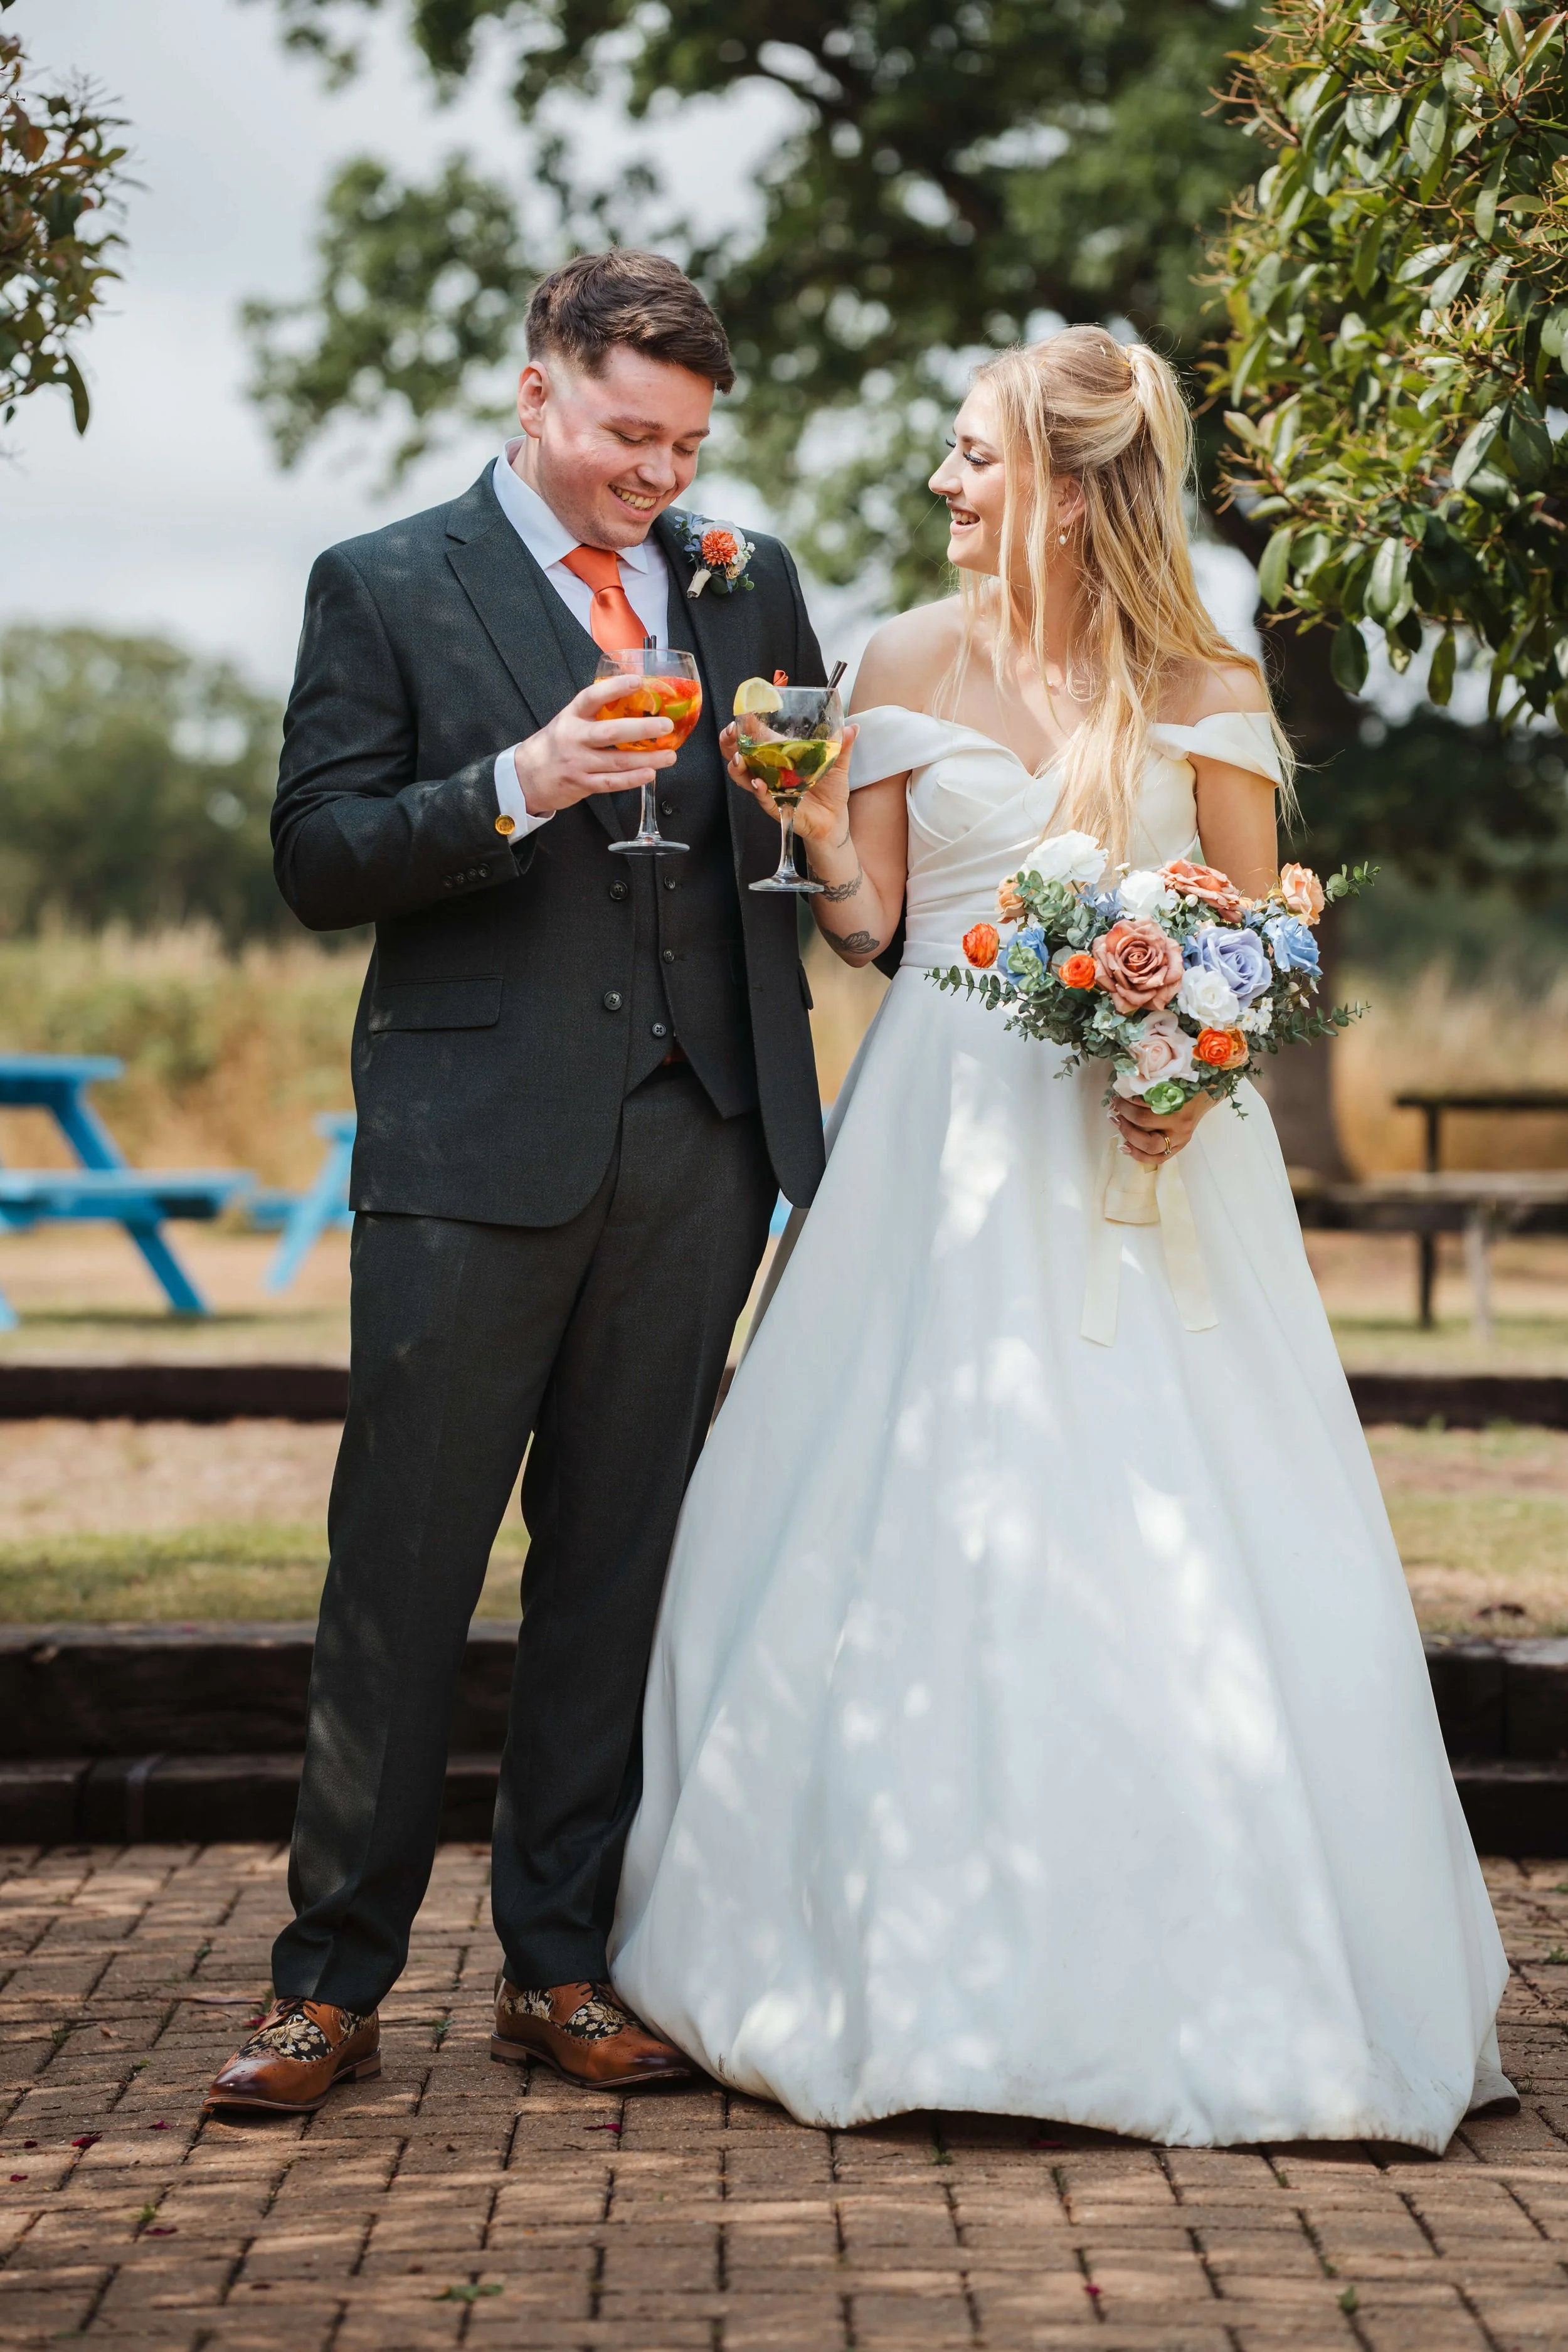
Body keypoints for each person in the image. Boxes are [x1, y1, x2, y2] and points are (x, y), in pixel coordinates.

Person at [611, 326, 1516, 2151]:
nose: (941, 485)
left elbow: (1269, 942)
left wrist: (1197, 1061)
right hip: (934, 1149)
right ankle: (899, 1956)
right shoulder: (894, 657)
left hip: (1158, 1160)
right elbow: (865, 925)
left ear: (1065, 484)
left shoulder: (1204, 678)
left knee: (1190, 1523)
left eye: (968, 457)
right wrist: (805, 826)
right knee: (911, 1506)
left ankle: (1227, 1966)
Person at [204, 251, 827, 2118]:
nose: (662, 473)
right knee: (402, 1566)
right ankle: (330, 1984)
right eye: (630, 433)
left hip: (698, 1129)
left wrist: (809, 818)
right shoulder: (383, 583)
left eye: (688, 441)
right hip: (473, 1150)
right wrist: (518, 782)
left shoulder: (745, 580)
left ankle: (557, 1962)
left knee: (615, 1569)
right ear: (537, 388)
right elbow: (320, 857)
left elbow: (788, 831)